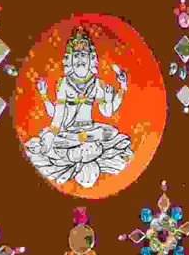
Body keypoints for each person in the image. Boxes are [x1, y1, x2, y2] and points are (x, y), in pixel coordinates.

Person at [23, 27, 133, 189]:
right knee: (49, 145)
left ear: (91, 59)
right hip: (69, 134)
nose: (80, 60)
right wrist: (52, 133)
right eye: (76, 55)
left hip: (91, 132)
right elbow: (58, 115)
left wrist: (122, 87)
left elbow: (107, 111)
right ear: (69, 60)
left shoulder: (97, 83)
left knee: (115, 138)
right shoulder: (64, 84)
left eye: (84, 55)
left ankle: (80, 159)